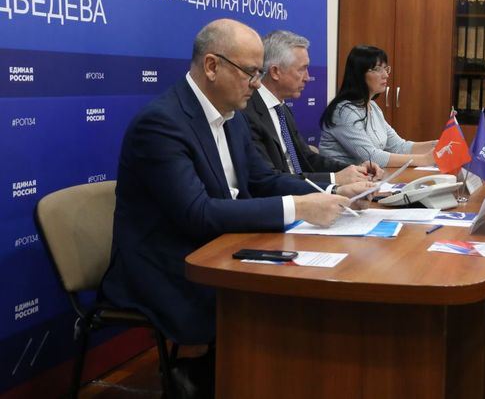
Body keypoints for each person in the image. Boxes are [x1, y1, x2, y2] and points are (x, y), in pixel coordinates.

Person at [101, 19, 372, 358]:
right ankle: (208, 372)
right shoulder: (161, 124)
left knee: (303, 287)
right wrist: (299, 208)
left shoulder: (234, 116)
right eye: (250, 73)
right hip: (166, 262)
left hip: (221, 244)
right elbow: (197, 213)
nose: (257, 84)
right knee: (270, 302)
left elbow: (264, 179)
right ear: (212, 66)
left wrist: (332, 193)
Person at [243, 30, 383, 184]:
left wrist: (353, 170)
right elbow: (268, 178)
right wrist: (335, 179)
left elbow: (306, 157)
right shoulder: (248, 113)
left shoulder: (281, 109)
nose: (308, 77)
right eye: (302, 69)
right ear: (275, 72)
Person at [318, 45, 437, 167]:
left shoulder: (373, 107)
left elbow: (399, 146)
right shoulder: (343, 112)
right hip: (342, 177)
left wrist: (438, 145)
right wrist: (424, 159)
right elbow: (371, 157)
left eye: (385, 69)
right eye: (377, 69)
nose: (385, 75)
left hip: (368, 176)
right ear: (359, 74)